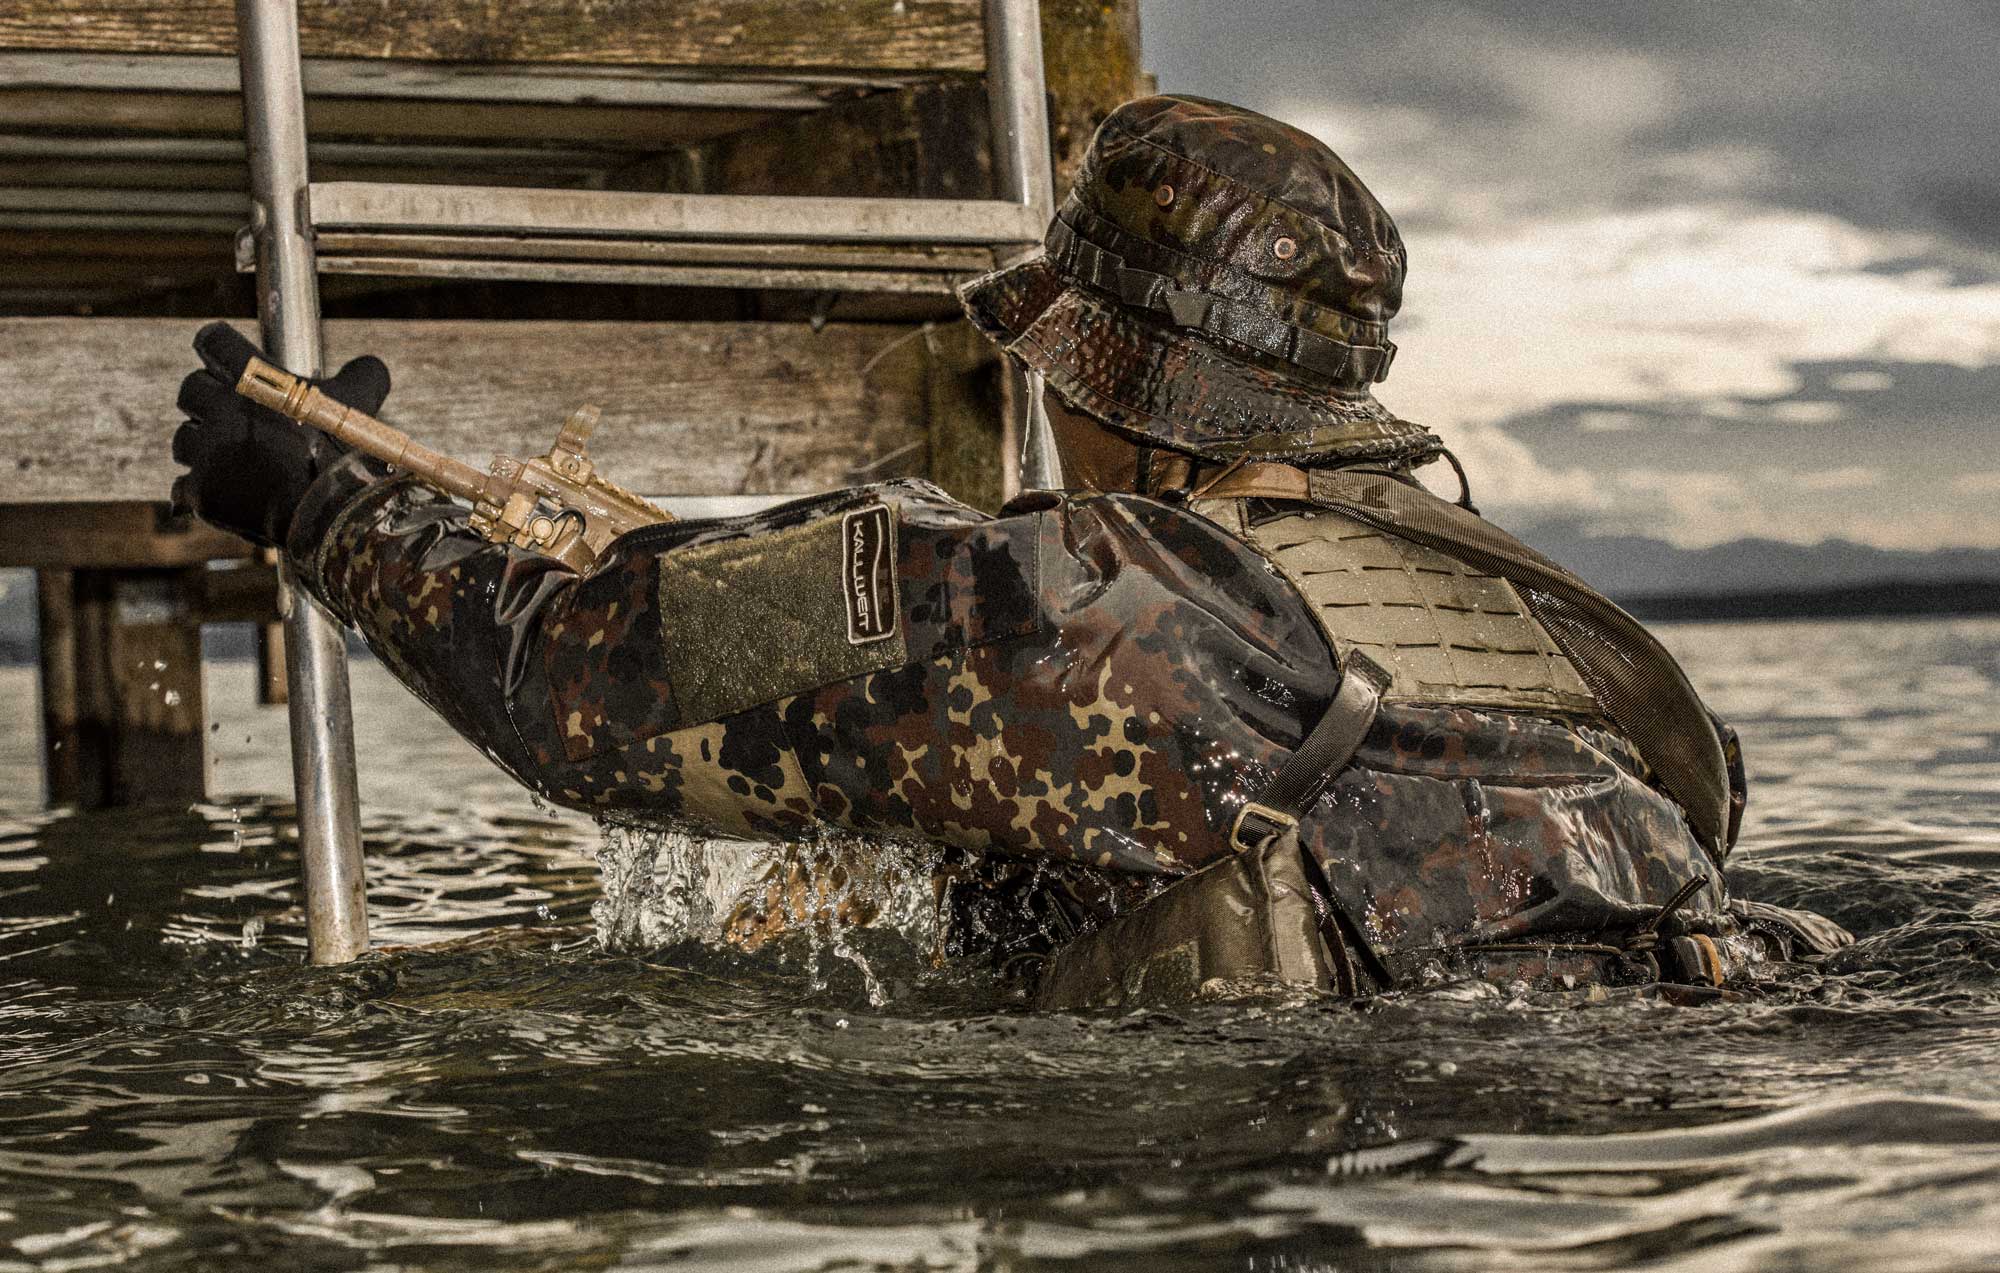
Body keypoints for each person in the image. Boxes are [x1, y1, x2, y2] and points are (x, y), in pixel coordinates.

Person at [171, 95, 1845, 1004]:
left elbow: (588, 690)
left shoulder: (1085, 601)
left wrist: (323, 505)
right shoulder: (1506, 600)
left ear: (1112, 389)